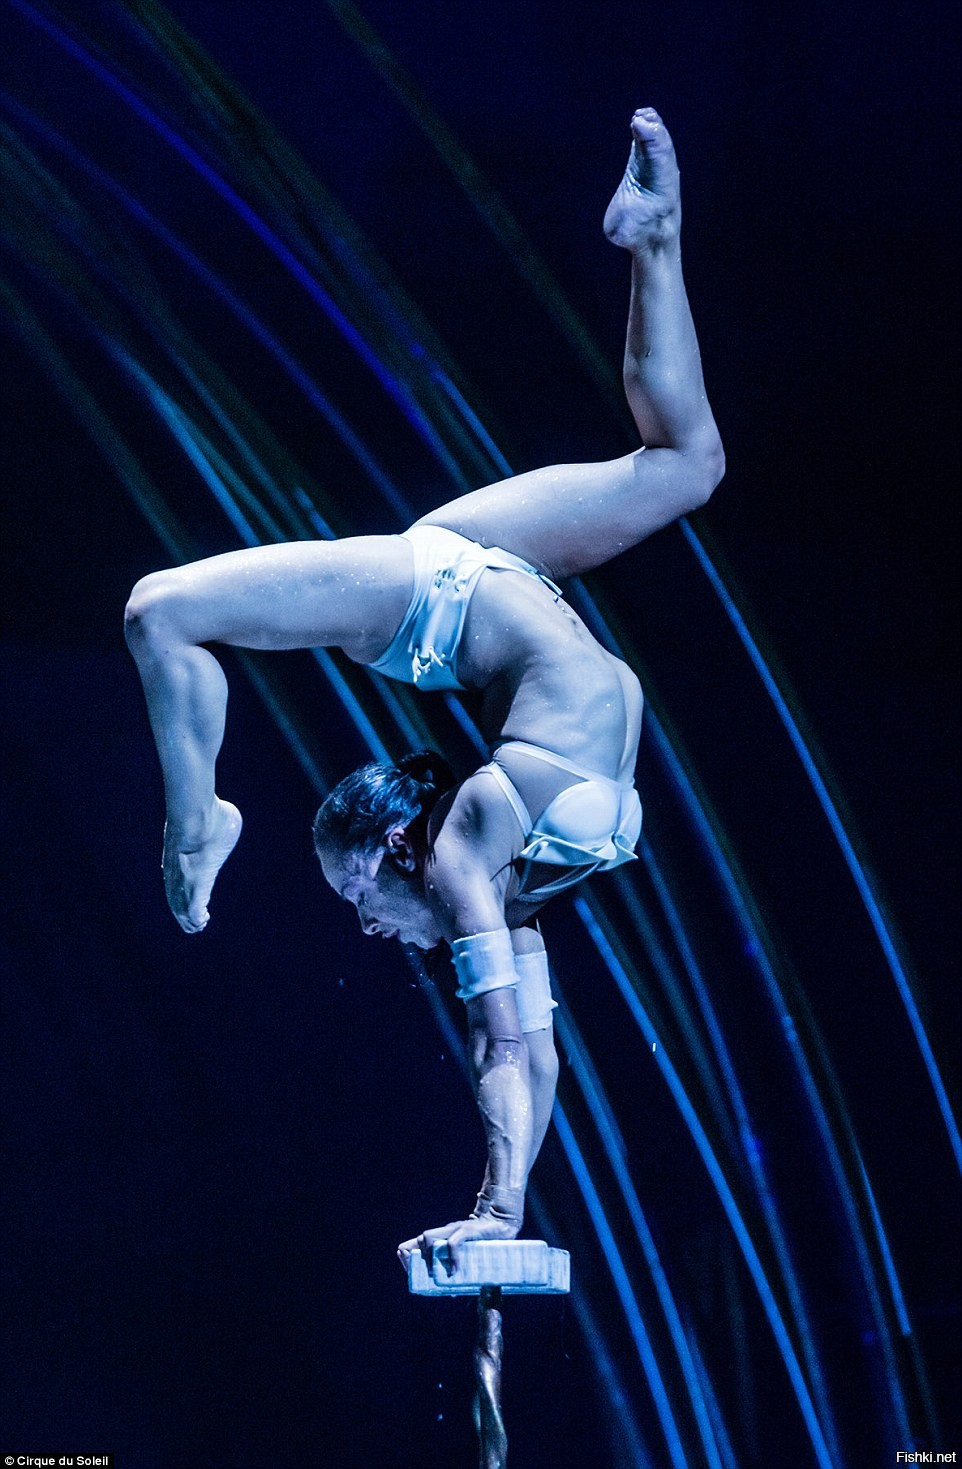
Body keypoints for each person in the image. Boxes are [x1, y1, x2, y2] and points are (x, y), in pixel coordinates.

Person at [124, 108, 724, 1267]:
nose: (363, 921)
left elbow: (497, 1039)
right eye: (357, 898)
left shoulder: (477, 852)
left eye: (355, 894)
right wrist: (503, 1208)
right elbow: (527, 1046)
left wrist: (497, 1205)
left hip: (436, 603)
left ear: (403, 847)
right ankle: (653, 233)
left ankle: (196, 821)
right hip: (487, 580)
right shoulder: (497, 874)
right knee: (688, 464)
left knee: (162, 610)